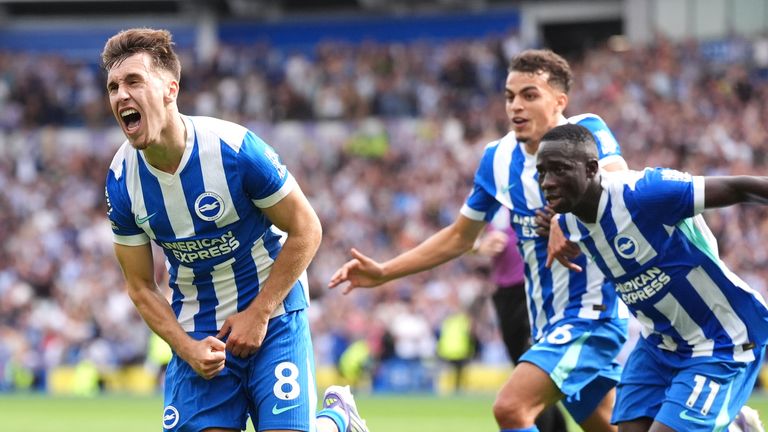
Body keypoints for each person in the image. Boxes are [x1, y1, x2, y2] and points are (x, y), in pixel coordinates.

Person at [330, 49, 630, 432]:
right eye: (509, 96)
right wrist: (385, 271)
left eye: (529, 95)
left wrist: (566, 215)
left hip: (590, 316)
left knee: (511, 408)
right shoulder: (498, 158)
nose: (515, 107)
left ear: (560, 101)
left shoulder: (587, 132)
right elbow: (459, 236)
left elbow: (618, 178)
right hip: (546, 323)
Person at [102, 28, 367, 432]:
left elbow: (306, 229)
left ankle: (336, 421)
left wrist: (258, 313)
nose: (121, 95)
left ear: (170, 89)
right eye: (113, 86)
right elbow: (140, 285)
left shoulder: (234, 150)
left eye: (134, 81)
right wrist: (187, 348)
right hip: (199, 326)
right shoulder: (122, 181)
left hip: (272, 312)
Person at [536, 123, 768, 432]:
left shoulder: (645, 192)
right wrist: (554, 231)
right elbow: (569, 229)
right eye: (541, 172)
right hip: (659, 344)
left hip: (723, 337)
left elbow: (738, 187)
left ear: (592, 168)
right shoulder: (568, 222)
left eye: (559, 171)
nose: (548, 183)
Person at [474, 210, 567, 432]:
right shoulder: (493, 191)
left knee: (527, 386)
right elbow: (462, 236)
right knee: (527, 377)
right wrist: (478, 246)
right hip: (506, 297)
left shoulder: (543, 184)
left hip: (542, 289)